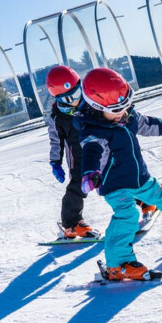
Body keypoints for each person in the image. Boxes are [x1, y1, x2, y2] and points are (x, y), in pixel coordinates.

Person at [75, 67, 162, 281]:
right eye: (115, 110)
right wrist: (90, 174)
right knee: (128, 215)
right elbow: (92, 152)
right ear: (95, 107)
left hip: (140, 178)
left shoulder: (128, 117)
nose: (121, 113)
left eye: (124, 106)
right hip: (114, 186)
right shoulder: (93, 131)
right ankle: (117, 265)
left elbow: (153, 125)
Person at [45, 65, 99, 239]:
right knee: (78, 185)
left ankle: (142, 199)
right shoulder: (57, 116)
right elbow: (56, 141)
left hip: (101, 148)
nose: (76, 100)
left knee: (119, 173)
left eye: (78, 92)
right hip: (78, 156)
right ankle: (71, 224)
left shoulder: (90, 101)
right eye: (70, 97)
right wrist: (55, 162)